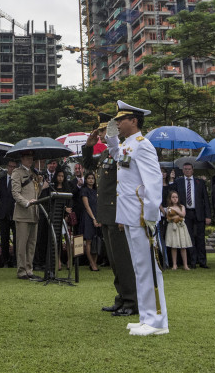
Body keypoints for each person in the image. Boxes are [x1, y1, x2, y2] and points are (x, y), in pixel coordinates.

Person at [105, 100, 168, 336]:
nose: (118, 123)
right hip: (131, 215)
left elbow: (153, 183)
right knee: (140, 268)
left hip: (142, 216)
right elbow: (116, 155)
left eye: (121, 120)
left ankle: (156, 322)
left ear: (134, 121)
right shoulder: (128, 145)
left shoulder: (143, 145)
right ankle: (146, 317)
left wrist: (150, 218)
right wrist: (111, 136)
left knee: (149, 268)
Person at [83, 120, 137, 319]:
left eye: (106, 130)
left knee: (122, 259)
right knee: (114, 261)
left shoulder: (123, 152)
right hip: (106, 213)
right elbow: (88, 165)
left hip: (118, 212)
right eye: (102, 131)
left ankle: (132, 301)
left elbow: (127, 181)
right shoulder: (106, 154)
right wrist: (89, 146)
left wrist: (125, 213)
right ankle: (121, 298)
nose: (103, 134)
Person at [172, 162, 211, 268]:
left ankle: (202, 261)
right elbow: (173, 196)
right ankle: (192, 261)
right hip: (186, 213)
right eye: (185, 169)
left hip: (198, 213)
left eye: (189, 169)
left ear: (193, 170)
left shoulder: (200, 182)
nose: (187, 171)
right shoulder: (178, 182)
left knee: (200, 238)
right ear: (183, 170)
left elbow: (205, 200)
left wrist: (208, 216)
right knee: (189, 238)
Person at [11, 150, 41, 280]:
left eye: (31, 158)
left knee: (32, 243)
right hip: (23, 213)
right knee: (22, 243)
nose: (30, 160)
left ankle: (29, 269)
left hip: (34, 212)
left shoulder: (33, 173)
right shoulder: (17, 172)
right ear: (22, 159)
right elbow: (15, 193)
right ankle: (21, 270)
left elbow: (36, 194)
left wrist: (40, 184)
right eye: (28, 158)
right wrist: (26, 203)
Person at [0, 159, 17, 268]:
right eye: (10, 166)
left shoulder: (18, 180)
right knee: (4, 238)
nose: (12, 169)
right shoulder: (2, 180)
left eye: (14, 167)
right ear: (7, 167)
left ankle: (16, 260)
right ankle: (5, 260)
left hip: (15, 213)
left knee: (17, 238)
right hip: (4, 213)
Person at [163, 190, 191, 270]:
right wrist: (175, 217)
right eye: (173, 197)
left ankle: (185, 265)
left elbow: (183, 215)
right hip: (173, 227)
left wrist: (176, 212)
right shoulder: (168, 208)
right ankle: (174, 264)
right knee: (174, 246)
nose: (175, 199)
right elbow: (169, 217)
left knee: (183, 246)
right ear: (170, 198)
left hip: (181, 227)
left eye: (176, 197)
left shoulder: (182, 206)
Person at [79, 172, 101, 271]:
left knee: (97, 239)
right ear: (86, 180)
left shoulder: (97, 191)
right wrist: (93, 219)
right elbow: (87, 206)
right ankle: (91, 263)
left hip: (98, 215)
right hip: (88, 217)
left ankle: (95, 262)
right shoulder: (84, 190)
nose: (91, 180)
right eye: (89, 178)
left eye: (92, 178)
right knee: (89, 240)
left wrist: (99, 219)